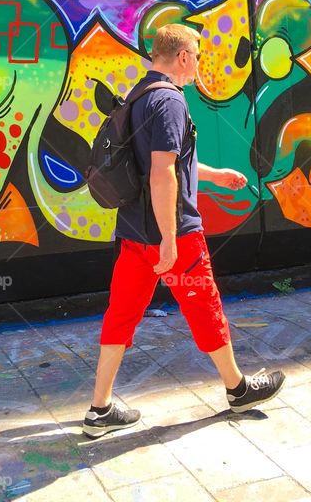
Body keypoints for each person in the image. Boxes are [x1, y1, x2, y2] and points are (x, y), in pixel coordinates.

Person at [83, 23, 286, 438]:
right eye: (196, 56)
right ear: (182, 57)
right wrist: (171, 240)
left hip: (134, 234)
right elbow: (161, 174)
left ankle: (99, 409)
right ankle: (238, 388)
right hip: (172, 234)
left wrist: (212, 175)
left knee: (120, 316)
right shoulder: (171, 102)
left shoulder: (139, 95)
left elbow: (165, 163)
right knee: (204, 308)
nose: (198, 65)